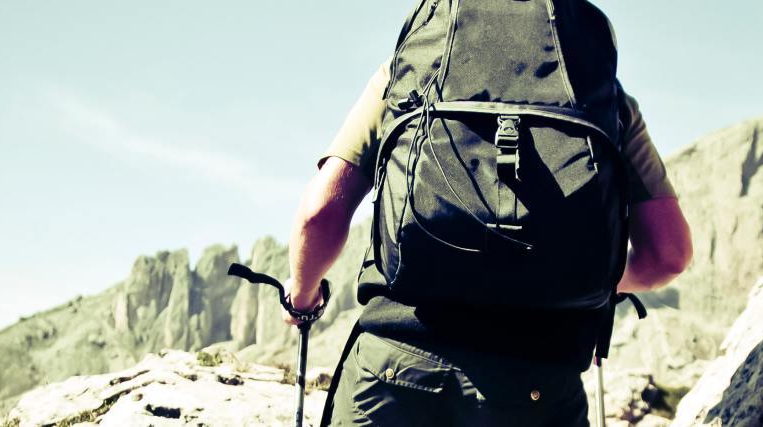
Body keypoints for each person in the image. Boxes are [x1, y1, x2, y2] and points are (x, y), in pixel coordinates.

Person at [281, 3, 692, 426]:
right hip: (540, 386)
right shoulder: (603, 96)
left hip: (394, 369)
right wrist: (589, 278)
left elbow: (320, 213)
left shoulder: (408, 72)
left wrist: (303, 296)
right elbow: (668, 254)